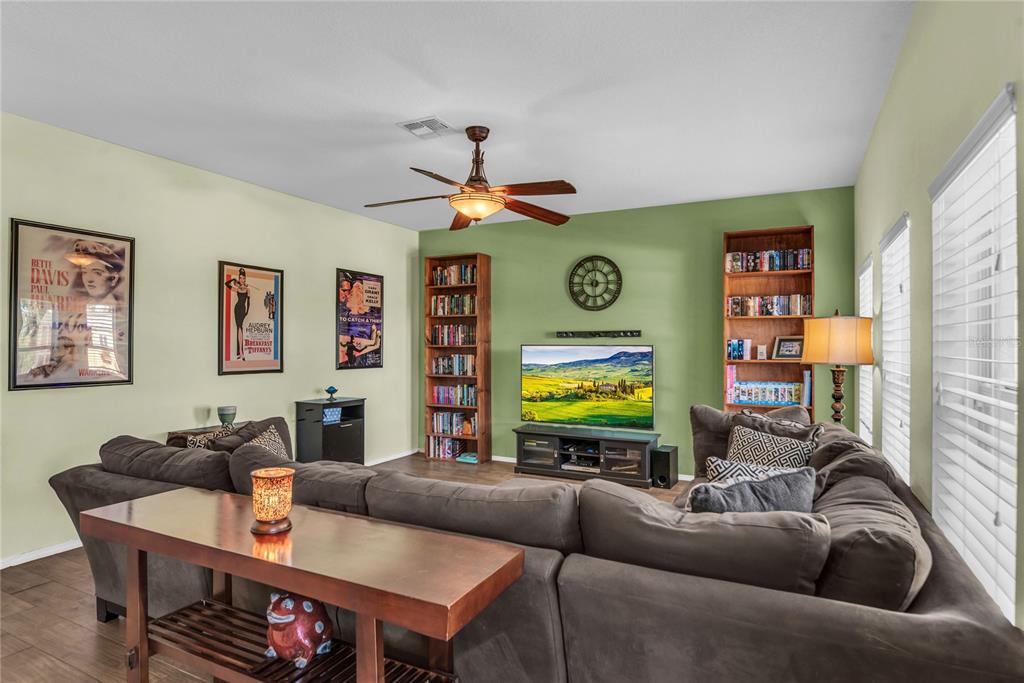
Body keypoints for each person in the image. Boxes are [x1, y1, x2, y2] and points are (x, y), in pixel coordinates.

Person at [68, 240, 126, 304]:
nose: (89, 279)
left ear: (113, 278)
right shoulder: (84, 307)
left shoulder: (118, 310)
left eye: (97, 273)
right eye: (84, 272)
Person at [224, 268, 252, 361]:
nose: (241, 279)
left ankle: (240, 352)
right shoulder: (237, 289)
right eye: (240, 278)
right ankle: (241, 352)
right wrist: (233, 280)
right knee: (239, 327)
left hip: (243, 310)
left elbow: (248, 302)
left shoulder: (248, 289)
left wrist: (247, 312)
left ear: (245, 279)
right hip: (237, 309)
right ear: (239, 279)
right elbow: (226, 284)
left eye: (243, 278)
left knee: (240, 328)